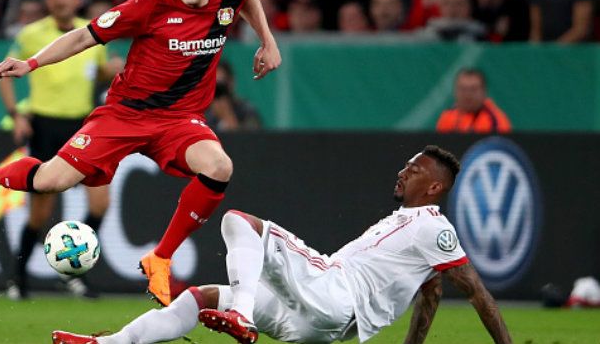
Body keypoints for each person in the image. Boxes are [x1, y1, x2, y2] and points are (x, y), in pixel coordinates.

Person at [0, 0, 281, 307]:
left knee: (219, 167)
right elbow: (83, 37)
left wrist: (268, 40)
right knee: (50, 181)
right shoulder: (150, 3)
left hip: (179, 118)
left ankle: (160, 257)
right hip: (125, 115)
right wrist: (30, 63)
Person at [51, 145, 512, 344]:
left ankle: (243, 317)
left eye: (414, 170)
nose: (402, 172)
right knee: (200, 296)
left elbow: (478, 294)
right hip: (316, 326)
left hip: (332, 291)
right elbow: (430, 294)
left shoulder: (433, 225)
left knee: (237, 221)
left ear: (434, 188)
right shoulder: (414, 232)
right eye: (406, 166)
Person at [0, 0, 113, 301]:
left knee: (101, 203)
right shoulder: (32, 35)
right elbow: (4, 74)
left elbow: (100, 71)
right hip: (46, 126)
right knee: (40, 212)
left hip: (84, 127)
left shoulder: (92, 30)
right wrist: (16, 114)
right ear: (47, 0)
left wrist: (113, 70)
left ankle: (70, 274)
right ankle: (17, 278)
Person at [436, 68, 511, 133]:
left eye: (473, 89)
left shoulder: (494, 121)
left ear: (484, 91)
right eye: (463, 89)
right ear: (455, 91)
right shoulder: (447, 116)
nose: (468, 95)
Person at [205, 61, 261, 133]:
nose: (219, 89)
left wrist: (227, 116)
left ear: (231, 82)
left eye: (222, 83)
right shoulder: (203, 114)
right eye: (214, 83)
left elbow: (253, 139)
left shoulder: (246, 110)